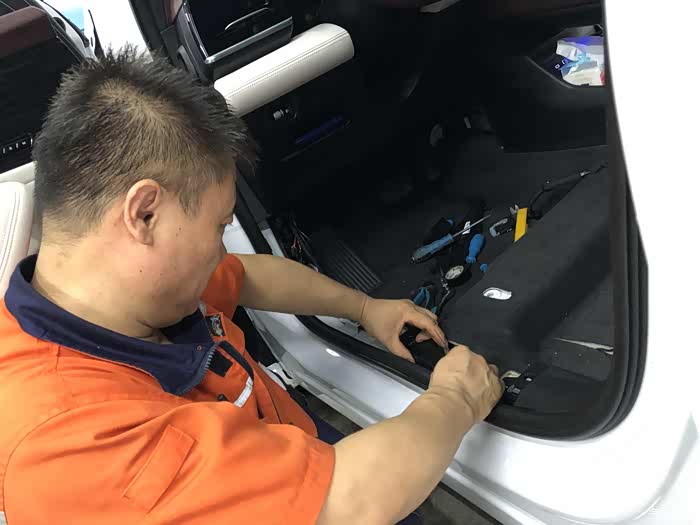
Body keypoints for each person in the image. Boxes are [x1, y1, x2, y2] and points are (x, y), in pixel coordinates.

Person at [0, 47, 503, 525]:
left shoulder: (125, 288)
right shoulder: (73, 448)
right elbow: (347, 504)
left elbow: (247, 276)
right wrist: (456, 399)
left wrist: (366, 308)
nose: (222, 249)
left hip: (301, 455)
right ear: (145, 214)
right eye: (220, 226)